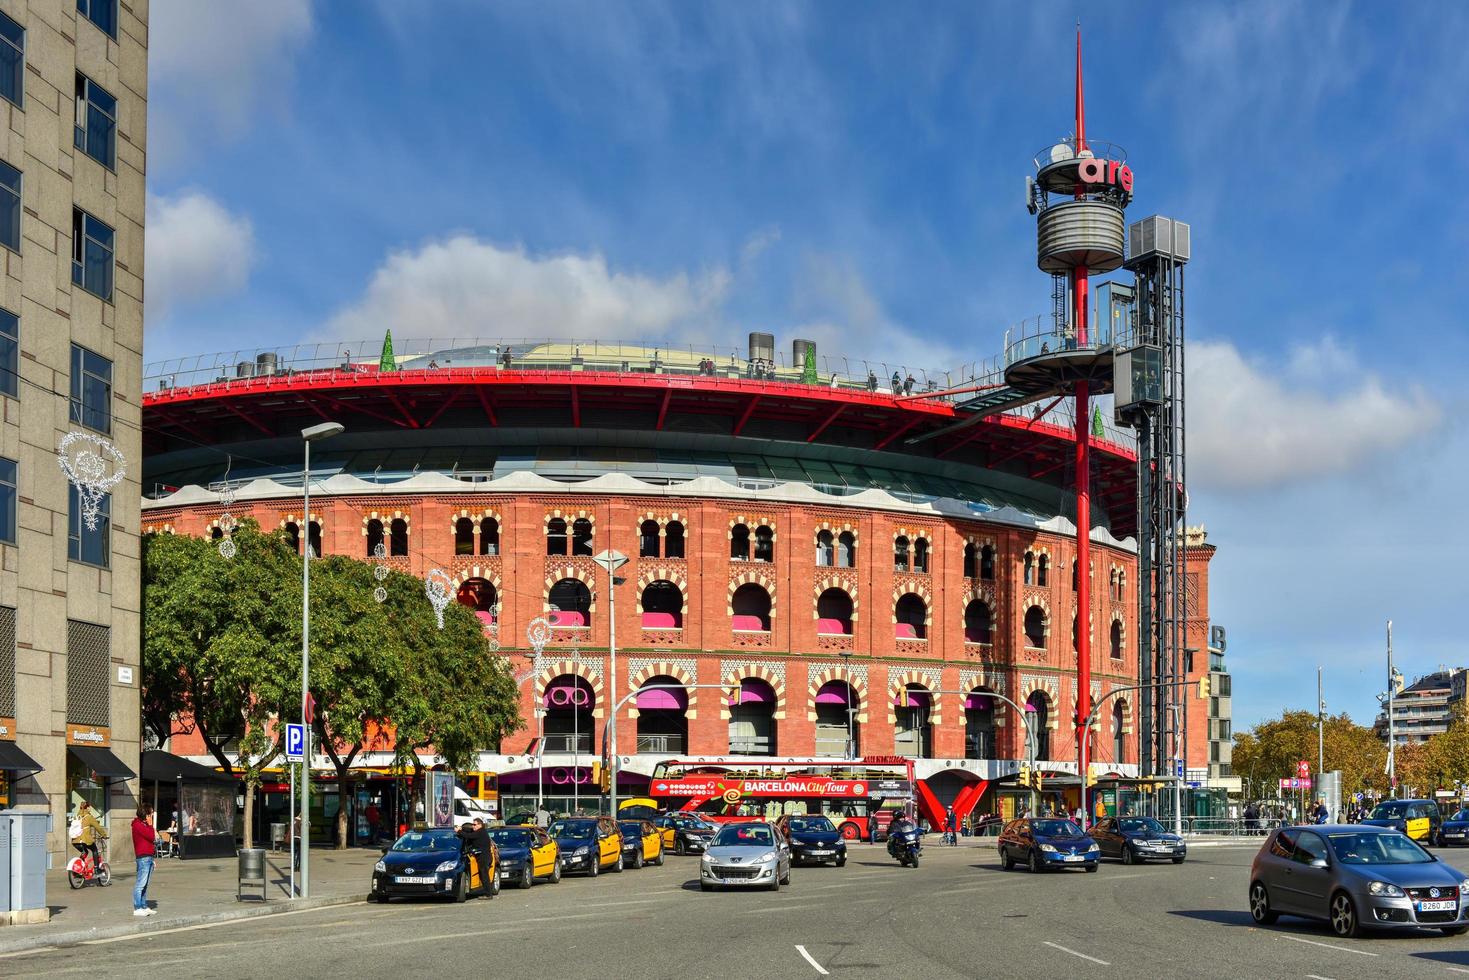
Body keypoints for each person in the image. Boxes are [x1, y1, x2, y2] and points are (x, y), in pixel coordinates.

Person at [131, 804, 158, 916]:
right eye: (150, 814)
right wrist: (151, 826)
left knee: (145, 884)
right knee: (140, 884)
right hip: (143, 857)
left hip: (148, 856)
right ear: (145, 814)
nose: (151, 816)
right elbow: (152, 837)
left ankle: (143, 905)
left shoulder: (143, 824)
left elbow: (153, 839)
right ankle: (137, 908)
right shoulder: (138, 825)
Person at [457, 818, 494, 894]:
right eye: (472, 824)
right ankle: (486, 892)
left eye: (474, 824)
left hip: (484, 857)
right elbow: (469, 830)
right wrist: (462, 828)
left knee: (484, 876)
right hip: (483, 856)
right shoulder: (480, 831)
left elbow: (469, 836)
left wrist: (459, 831)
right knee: (483, 875)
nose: (473, 826)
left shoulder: (480, 832)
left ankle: (488, 894)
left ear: (480, 825)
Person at [72, 799, 107, 871]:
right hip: (84, 840)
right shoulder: (89, 817)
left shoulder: (77, 816)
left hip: (75, 841)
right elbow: (98, 827)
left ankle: (79, 869)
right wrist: (104, 835)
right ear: (87, 808)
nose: (90, 808)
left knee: (85, 852)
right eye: (89, 807)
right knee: (94, 850)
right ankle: (97, 869)